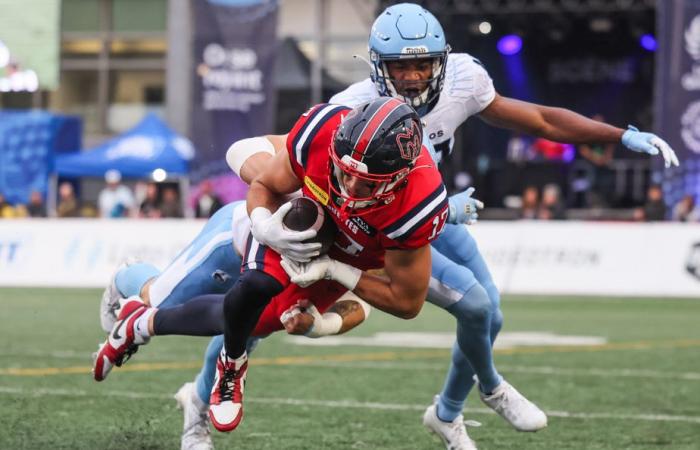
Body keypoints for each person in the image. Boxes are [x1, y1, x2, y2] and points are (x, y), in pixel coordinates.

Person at [228, 4, 680, 449]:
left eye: (423, 64)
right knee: (256, 312)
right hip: (374, 227)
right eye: (400, 67)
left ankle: (449, 411)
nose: (412, 77)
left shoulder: (465, 79)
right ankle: (209, 391)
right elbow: (287, 163)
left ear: (442, 59)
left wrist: (617, 135)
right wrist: (271, 217)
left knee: (488, 314)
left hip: (426, 218)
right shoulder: (350, 108)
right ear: (375, 67)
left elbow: (540, 119)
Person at [205, 96, 457, 434]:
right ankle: (140, 312)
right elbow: (246, 158)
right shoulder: (326, 128)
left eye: (366, 182)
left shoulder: (412, 213)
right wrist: (269, 220)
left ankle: (188, 387)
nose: (351, 187)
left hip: (327, 266)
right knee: (169, 296)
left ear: (399, 178)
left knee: (251, 324)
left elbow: (395, 303)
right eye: (345, 172)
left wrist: (322, 312)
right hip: (258, 225)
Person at [94, 200, 371, 450]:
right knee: (159, 299)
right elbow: (251, 159)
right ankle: (128, 278)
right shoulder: (323, 163)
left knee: (241, 338)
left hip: (294, 279)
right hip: (236, 245)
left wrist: (319, 325)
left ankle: (195, 415)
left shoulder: (392, 232)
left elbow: (369, 300)